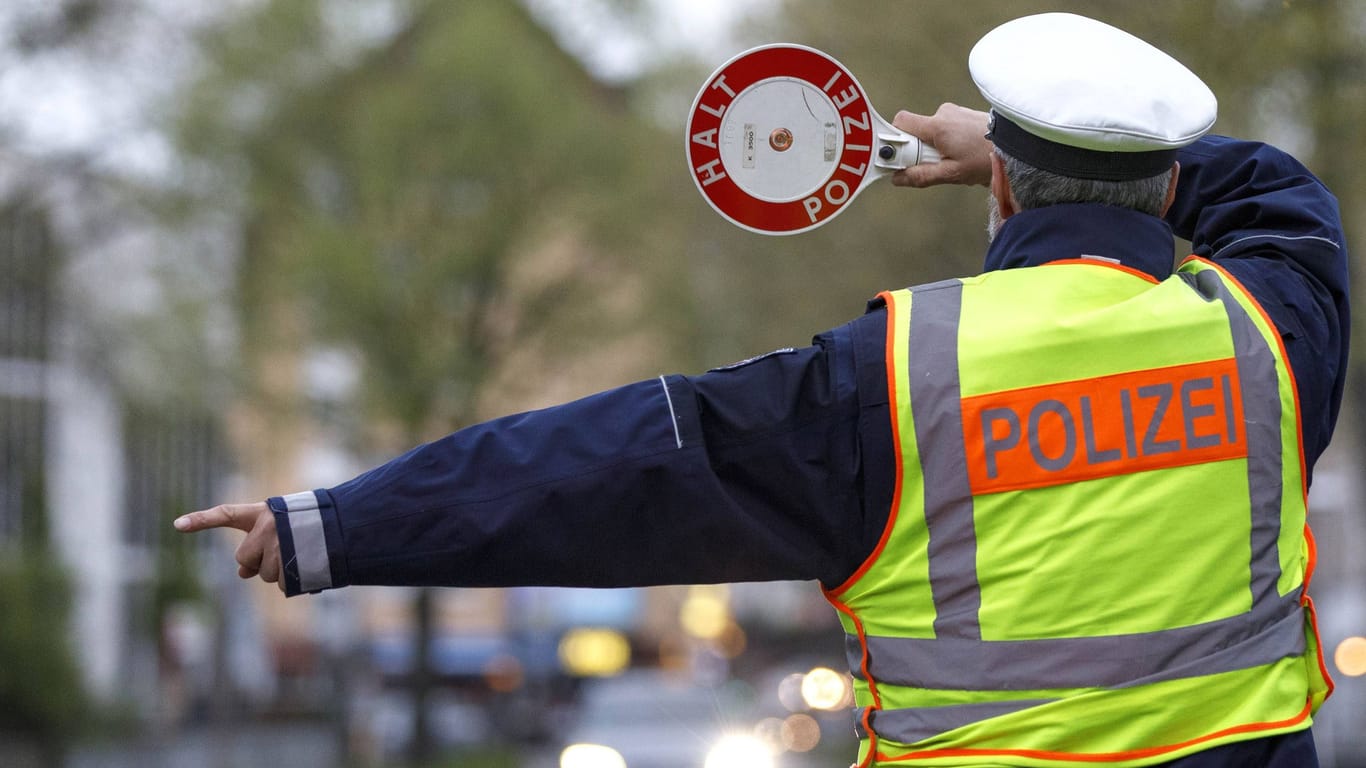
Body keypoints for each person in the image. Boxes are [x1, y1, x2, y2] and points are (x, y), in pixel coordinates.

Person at [176, 12, 1347, 768]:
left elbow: (602, 470)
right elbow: (1275, 193)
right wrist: (1027, 142)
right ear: (1165, 183)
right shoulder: (1270, 338)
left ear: (998, 190)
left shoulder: (886, 383)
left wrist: (330, 525)